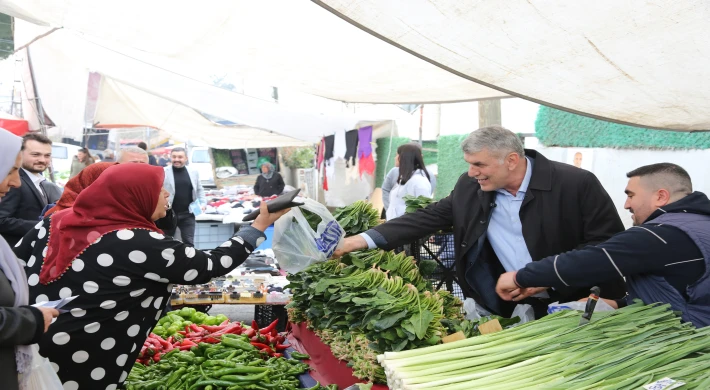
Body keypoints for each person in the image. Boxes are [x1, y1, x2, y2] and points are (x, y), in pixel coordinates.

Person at [16, 163, 288, 389]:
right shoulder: (137, 241)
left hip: (38, 332)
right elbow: (210, 265)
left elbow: (15, 264)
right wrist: (258, 227)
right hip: (91, 348)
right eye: (158, 189)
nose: (167, 194)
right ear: (134, 195)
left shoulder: (56, 220)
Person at [335, 126, 626, 318]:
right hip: (508, 301)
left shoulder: (576, 184)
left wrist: (545, 277)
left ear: (511, 160)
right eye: (469, 164)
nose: (472, 172)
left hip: (579, 300)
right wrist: (360, 240)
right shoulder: (469, 186)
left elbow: (607, 244)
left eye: (479, 164)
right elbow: (429, 216)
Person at [496, 163, 710, 327]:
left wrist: (520, 277)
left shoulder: (660, 235)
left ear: (661, 196)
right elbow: (686, 287)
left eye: (631, 195)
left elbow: (591, 260)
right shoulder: (700, 225)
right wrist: (617, 304)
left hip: (693, 342)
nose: (627, 205)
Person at [0, 130, 59, 390]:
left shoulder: (44, 184)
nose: (15, 182)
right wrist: (30, 320)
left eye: (46, 155)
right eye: (9, 170)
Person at [0, 132, 62, 246]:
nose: (42, 160)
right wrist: (43, 225)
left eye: (47, 155)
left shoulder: (38, 181)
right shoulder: (12, 182)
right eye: (35, 154)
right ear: (20, 154)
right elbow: (2, 220)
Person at [381, 142, 437, 219]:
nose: (395, 158)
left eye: (397, 155)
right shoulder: (402, 177)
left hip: (405, 227)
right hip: (395, 225)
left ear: (403, 157)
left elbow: (423, 209)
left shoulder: (419, 181)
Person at [163, 147, 205, 246]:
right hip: (169, 213)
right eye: (174, 157)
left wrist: (203, 203)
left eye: (180, 157)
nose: (176, 159)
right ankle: (166, 260)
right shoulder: (163, 172)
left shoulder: (193, 172)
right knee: (166, 241)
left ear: (186, 158)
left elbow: (199, 189)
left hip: (188, 213)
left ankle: (188, 261)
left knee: (189, 242)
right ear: (170, 157)